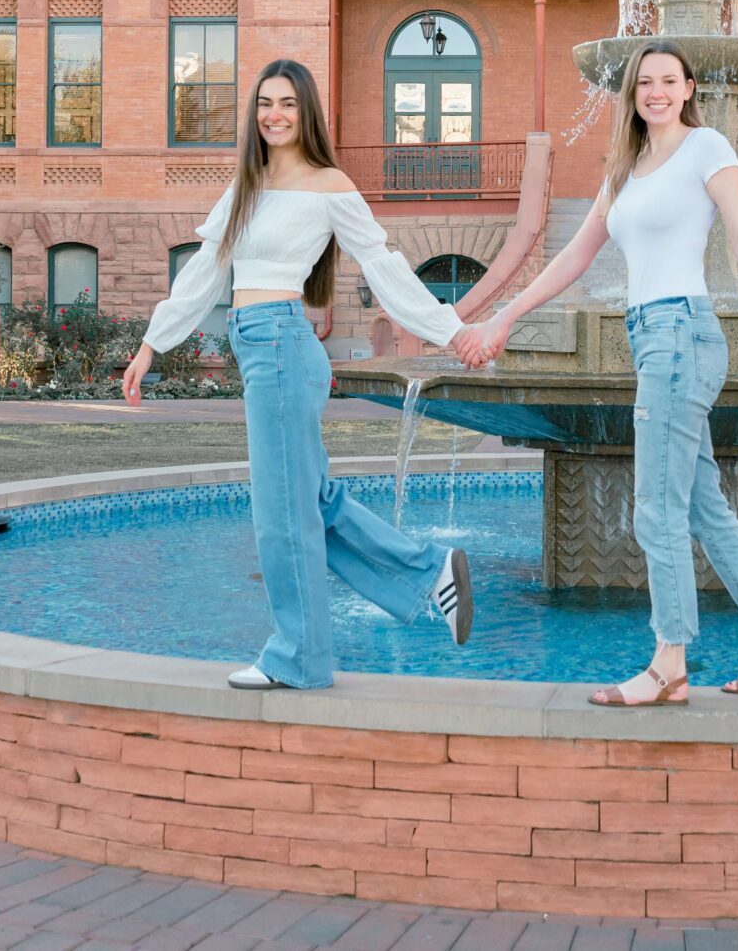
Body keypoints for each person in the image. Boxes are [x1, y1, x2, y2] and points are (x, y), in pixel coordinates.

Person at [457, 41, 738, 706]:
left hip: (682, 332)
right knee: (701, 503)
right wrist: (503, 317)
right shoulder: (625, 168)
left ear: (688, 87)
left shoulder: (708, 149)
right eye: (644, 81)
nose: (655, 91)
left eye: (668, 80)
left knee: (656, 508)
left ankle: (669, 662)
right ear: (633, 93)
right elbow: (572, 258)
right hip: (651, 334)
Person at [119, 59, 475, 690]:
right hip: (263, 346)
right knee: (308, 502)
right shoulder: (246, 185)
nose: (274, 114)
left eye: (287, 103)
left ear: (306, 112)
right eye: (264, 103)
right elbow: (205, 270)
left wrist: (452, 331)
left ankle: (299, 658)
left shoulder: (329, 184)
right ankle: (429, 572)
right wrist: (153, 342)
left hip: (282, 344)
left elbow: (384, 267)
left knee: (282, 513)